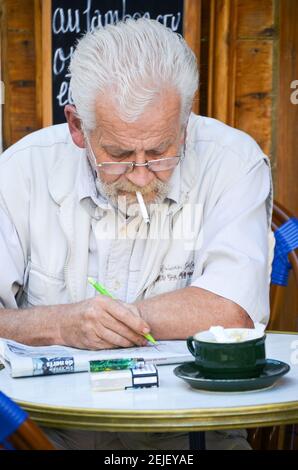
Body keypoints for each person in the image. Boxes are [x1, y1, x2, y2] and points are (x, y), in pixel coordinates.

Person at [0, 19, 272, 450]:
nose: (143, 177)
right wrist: (62, 324)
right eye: (119, 154)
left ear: (186, 120)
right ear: (76, 126)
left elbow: (230, 310)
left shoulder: (234, 163)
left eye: (162, 151)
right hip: (49, 435)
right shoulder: (20, 172)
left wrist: (110, 322)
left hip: (192, 434)